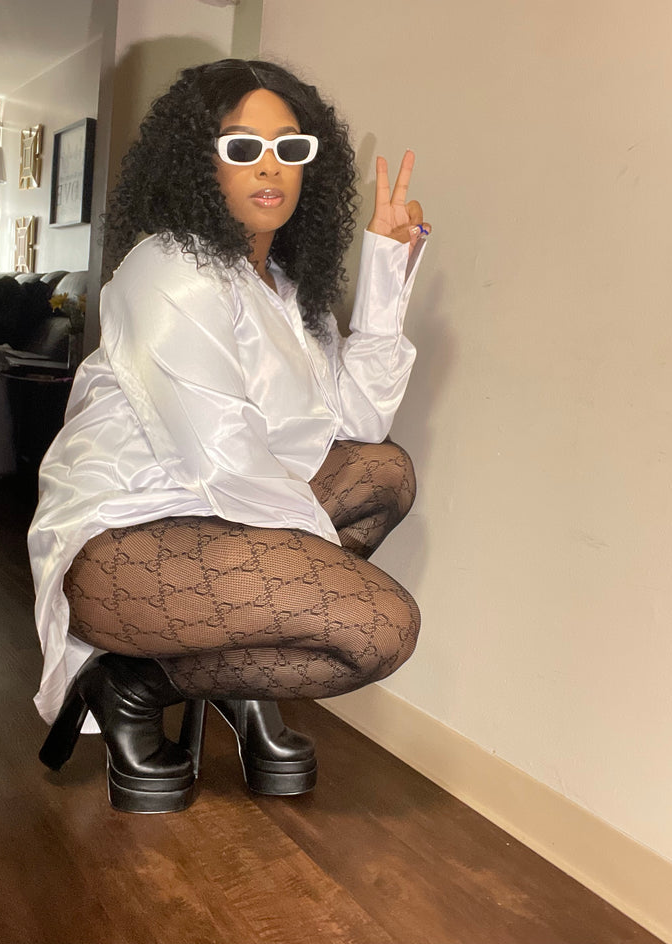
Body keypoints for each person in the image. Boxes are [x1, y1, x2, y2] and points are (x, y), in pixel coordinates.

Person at [29, 58, 429, 814]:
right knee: (380, 627)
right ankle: (134, 682)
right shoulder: (167, 267)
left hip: (227, 522)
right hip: (129, 540)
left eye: (290, 147)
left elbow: (358, 425)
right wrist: (307, 580)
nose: (270, 167)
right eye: (242, 147)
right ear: (197, 160)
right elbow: (223, 460)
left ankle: (193, 682)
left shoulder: (291, 291)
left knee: (384, 472)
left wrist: (385, 269)